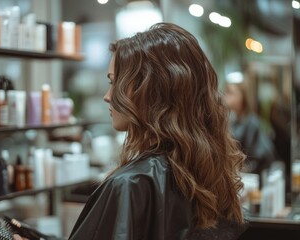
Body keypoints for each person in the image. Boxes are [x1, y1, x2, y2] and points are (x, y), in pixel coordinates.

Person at [14, 22, 248, 240]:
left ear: (152, 91)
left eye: (116, 82)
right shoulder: (208, 172)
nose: (108, 96)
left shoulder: (129, 184)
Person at [224, 72, 277, 176]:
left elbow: (260, 158)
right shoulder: (233, 121)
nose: (226, 96)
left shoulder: (252, 123)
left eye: (231, 92)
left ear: (243, 96)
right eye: (226, 91)